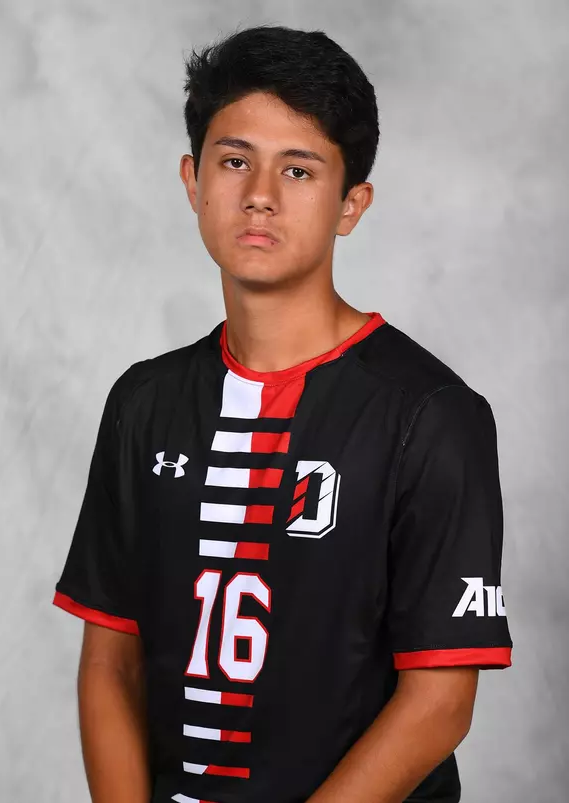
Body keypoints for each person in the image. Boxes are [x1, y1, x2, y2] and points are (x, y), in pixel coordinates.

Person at [52, 24, 513, 803]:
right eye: (234, 161)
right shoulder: (144, 402)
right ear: (193, 179)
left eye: (298, 170)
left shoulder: (430, 415)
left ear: (350, 204)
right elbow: (110, 658)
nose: (259, 194)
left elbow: (438, 702)